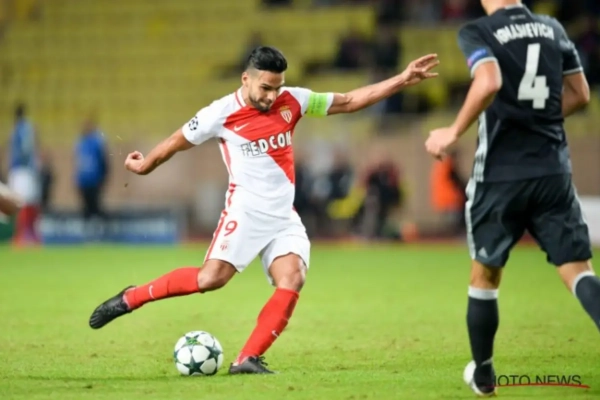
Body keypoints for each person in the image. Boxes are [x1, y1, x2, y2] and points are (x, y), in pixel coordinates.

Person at [88, 46, 439, 374]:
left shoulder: (294, 100)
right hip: (245, 212)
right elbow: (177, 141)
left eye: (277, 87)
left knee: (293, 277)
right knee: (210, 280)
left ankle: (247, 358)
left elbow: (348, 101)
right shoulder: (219, 113)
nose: (272, 96)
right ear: (246, 79)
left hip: (283, 216)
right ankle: (131, 297)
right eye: (266, 88)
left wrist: (402, 79)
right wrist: (145, 165)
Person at [425, 1, 597, 397]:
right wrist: (538, 122)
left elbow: (488, 82)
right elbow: (581, 94)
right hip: (552, 170)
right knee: (578, 271)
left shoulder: (479, 31)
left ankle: (484, 376)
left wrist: (452, 132)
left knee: (485, 275)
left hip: (499, 176)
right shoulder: (552, 27)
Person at [7, 103, 40, 244]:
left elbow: (24, 150)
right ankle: (31, 235)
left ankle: (23, 235)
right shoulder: (28, 128)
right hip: (26, 170)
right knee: (29, 201)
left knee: (20, 202)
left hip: (21, 170)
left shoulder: (20, 129)